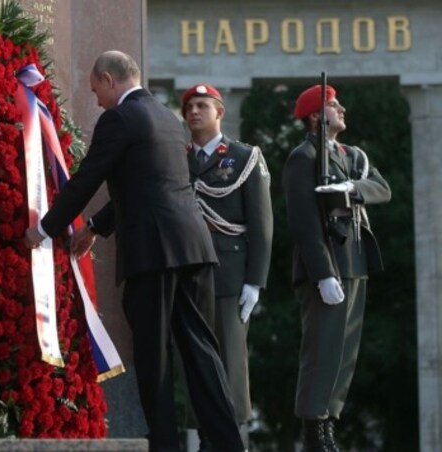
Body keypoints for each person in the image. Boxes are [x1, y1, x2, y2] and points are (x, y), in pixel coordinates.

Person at [25, 50, 244, 452]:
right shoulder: (168, 119)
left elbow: (87, 179)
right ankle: (230, 443)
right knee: (201, 351)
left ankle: (164, 444)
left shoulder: (119, 119)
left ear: (109, 79)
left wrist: (44, 228)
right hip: (194, 247)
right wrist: (94, 227)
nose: (96, 101)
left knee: (153, 353)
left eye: (96, 91)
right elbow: (147, 184)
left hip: (152, 252)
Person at [284, 84, 391, 451]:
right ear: (316, 117)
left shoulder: (351, 155)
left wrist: (352, 188)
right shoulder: (305, 157)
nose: (341, 109)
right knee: (322, 350)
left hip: (354, 262)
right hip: (326, 266)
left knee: (344, 354)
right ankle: (314, 427)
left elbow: (382, 188)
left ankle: (329, 421)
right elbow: (303, 222)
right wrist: (323, 273)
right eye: (333, 105)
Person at [180, 83, 273, 450]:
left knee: (231, 361)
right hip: (189, 273)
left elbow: (262, 223)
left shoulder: (243, 156)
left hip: (230, 274)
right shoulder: (178, 158)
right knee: (194, 358)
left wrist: (255, 281)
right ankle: (204, 434)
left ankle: (230, 437)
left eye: (202, 105)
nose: (193, 112)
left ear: (220, 112)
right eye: (188, 106)